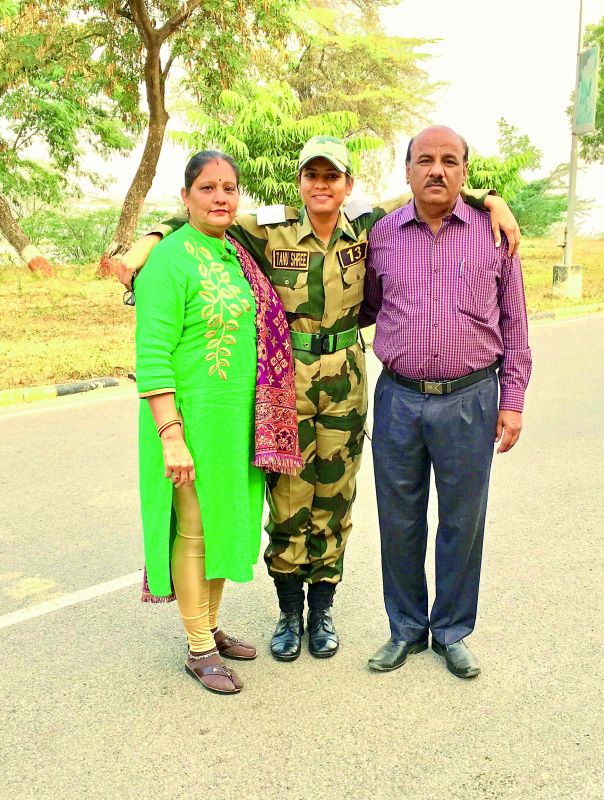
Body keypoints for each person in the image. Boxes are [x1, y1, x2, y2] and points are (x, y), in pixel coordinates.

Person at [119, 135, 521, 663]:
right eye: (313, 175)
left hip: (346, 377)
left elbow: (436, 194)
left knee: (334, 499)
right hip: (285, 379)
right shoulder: (269, 224)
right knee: (287, 500)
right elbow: (205, 218)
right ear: (300, 183)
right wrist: (149, 237)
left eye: (333, 176)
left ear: (347, 184)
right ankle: (289, 614)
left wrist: (493, 199)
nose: (322, 185)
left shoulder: (370, 224)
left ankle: (323, 611)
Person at [362, 126, 532, 679]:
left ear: (464, 172)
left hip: (471, 398)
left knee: (463, 521)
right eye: (425, 160)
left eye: (449, 161)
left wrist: (514, 398)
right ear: (407, 170)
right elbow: (366, 307)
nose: (437, 170)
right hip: (399, 401)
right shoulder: (381, 236)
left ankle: (454, 631)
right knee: (399, 520)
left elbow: (515, 321)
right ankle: (406, 628)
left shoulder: (494, 233)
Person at [135, 150, 301, 694]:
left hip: (235, 422)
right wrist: (170, 435)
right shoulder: (169, 261)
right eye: (207, 188)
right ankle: (198, 646)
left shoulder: (235, 255)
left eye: (229, 188)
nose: (221, 197)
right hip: (190, 422)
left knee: (225, 525)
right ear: (185, 198)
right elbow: (153, 353)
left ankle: (207, 624)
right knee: (195, 531)